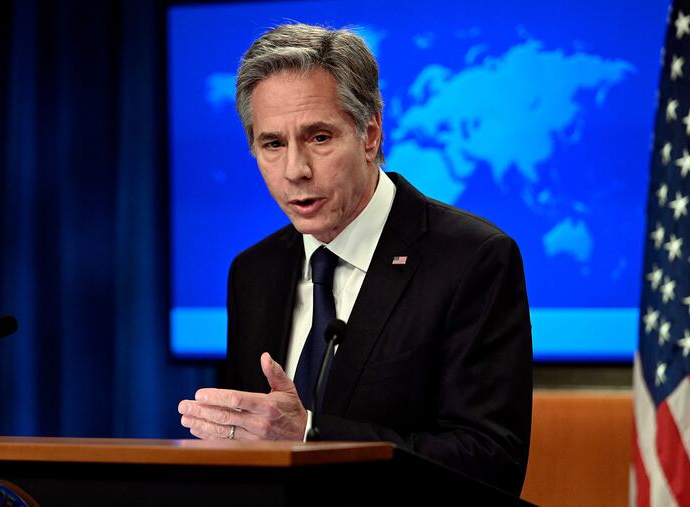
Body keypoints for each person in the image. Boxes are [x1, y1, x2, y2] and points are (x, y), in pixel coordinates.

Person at [178, 23, 532, 495]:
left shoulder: (473, 259)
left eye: (319, 137)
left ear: (369, 134)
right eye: (273, 144)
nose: (295, 171)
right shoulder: (253, 272)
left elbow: (490, 464)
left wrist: (310, 435)